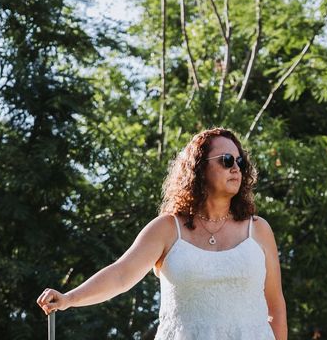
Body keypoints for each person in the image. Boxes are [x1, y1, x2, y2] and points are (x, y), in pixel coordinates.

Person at [37, 127, 287, 339]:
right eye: (226, 160)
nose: (236, 168)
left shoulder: (259, 230)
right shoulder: (167, 228)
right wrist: (69, 298)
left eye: (240, 161)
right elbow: (121, 275)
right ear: (199, 168)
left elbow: (275, 306)